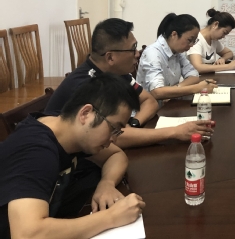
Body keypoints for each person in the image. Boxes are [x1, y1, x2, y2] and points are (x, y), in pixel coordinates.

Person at [0, 74, 145, 239]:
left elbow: (116, 155)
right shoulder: (36, 151)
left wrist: (107, 183)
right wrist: (112, 217)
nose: (113, 139)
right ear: (85, 114)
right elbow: (27, 234)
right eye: (113, 128)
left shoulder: (68, 130)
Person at [45, 18, 215, 149]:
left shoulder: (119, 72)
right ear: (110, 57)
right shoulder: (86, 84)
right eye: (132, 49)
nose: (137, 54)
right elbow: (110, 138)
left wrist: (134, 123)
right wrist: (175, 132)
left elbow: (149, 101)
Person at [137, 13, 217, 101]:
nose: (191, 45)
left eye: (194, 41)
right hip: (152, 107)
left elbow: (194, 76)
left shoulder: (177, 52)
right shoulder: (153, 53)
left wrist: (176, 88)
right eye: (190, 40)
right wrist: (197, 88)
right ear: (174, 35)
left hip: (170, 103)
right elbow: (157, 92)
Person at [188, 8, 235, 74]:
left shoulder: (213, 40)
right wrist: (228, 66)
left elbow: (229, 53)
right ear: (215, 24)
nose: (223, 37)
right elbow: (198, 67)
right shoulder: (197, 40)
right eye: (224, 32)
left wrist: (222, 59)